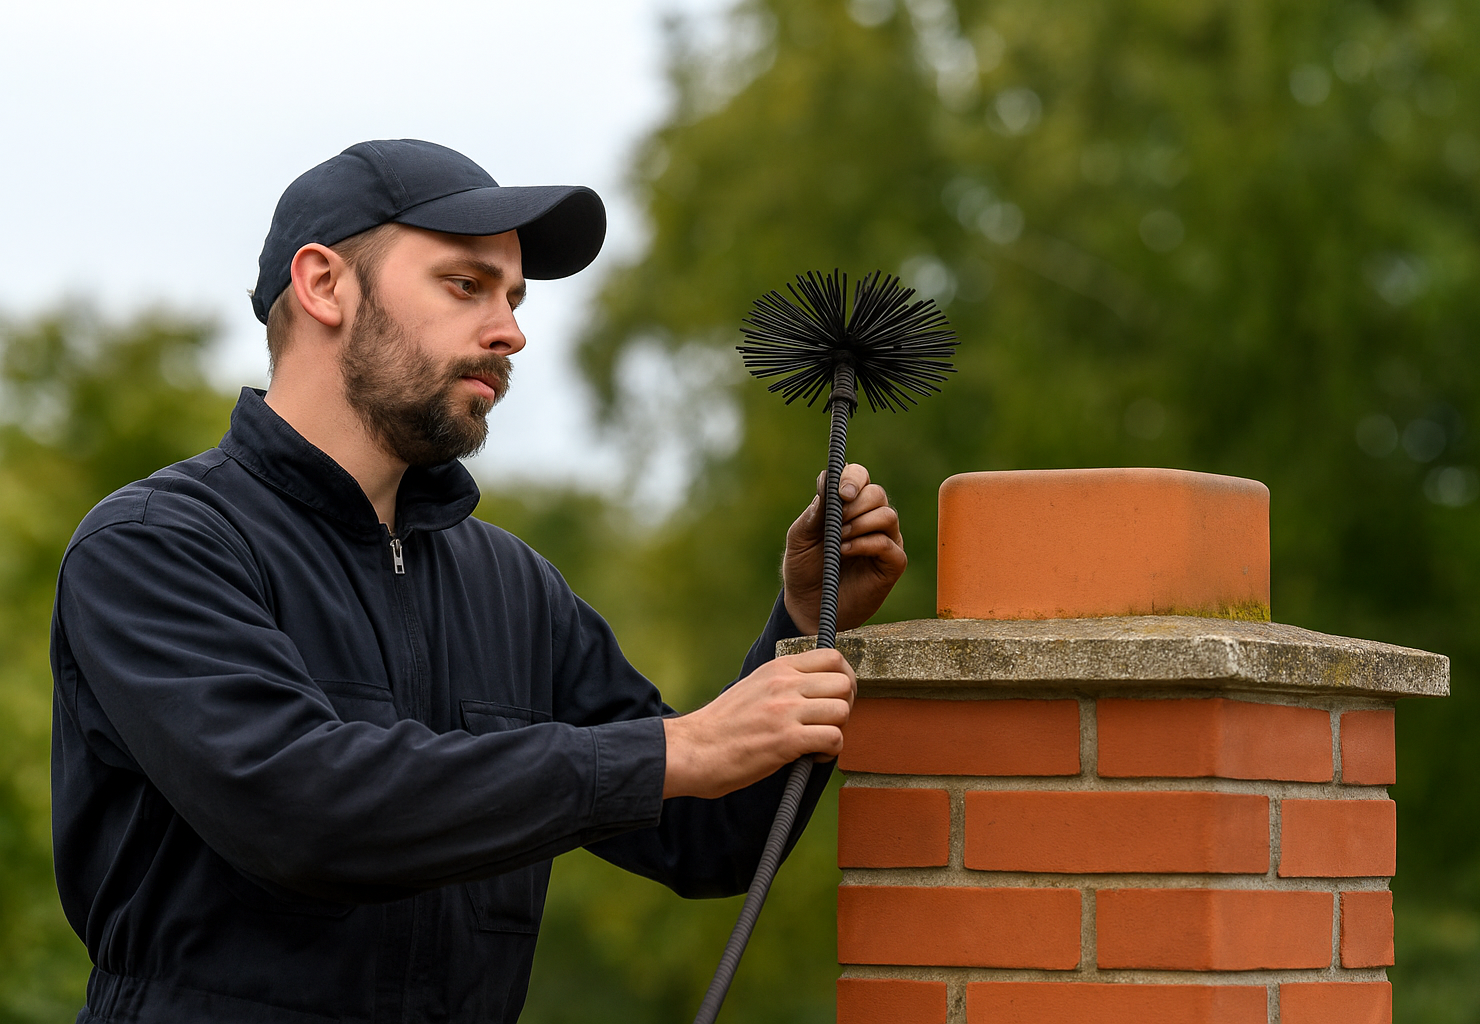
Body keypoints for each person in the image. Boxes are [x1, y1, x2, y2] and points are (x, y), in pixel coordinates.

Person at [49, 139, 906, 1024]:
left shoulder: (515, 589)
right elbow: (305, 812)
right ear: (324, 285)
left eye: (514, 298)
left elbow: (711, 837)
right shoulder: (156, 546)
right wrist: (670, 750)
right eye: (466, 285)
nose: (511, 332)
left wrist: (805, 620)